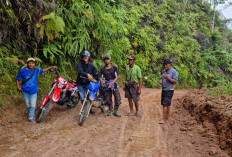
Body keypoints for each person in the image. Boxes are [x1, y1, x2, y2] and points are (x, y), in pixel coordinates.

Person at [16, 58, 57, 123]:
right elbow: (18, 79)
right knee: (28, 105)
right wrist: (18, 87)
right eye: (30, 63)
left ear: (34, 64)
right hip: (25, 91)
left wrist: (51, 67)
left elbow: (44, 70)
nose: (31, 64)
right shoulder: (22, 71)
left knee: (32, 105)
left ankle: (31, 117)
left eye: (33, 63)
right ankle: (31, 112)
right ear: (27, 63)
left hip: (33, 91)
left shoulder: (36, 70)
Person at [159, 59, 178, 124]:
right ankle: (168, 116)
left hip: (170, 90)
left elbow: (175, 81)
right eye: (164, 64)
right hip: (164, 89)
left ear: (170, 64)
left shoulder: (173, 71)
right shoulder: (163, 71)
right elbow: (162, 78)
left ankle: (163, 119)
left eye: (166, 64)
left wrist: (167, 78)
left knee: (165, 104)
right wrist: (161, 81)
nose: (165, 66)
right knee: (167, 104)